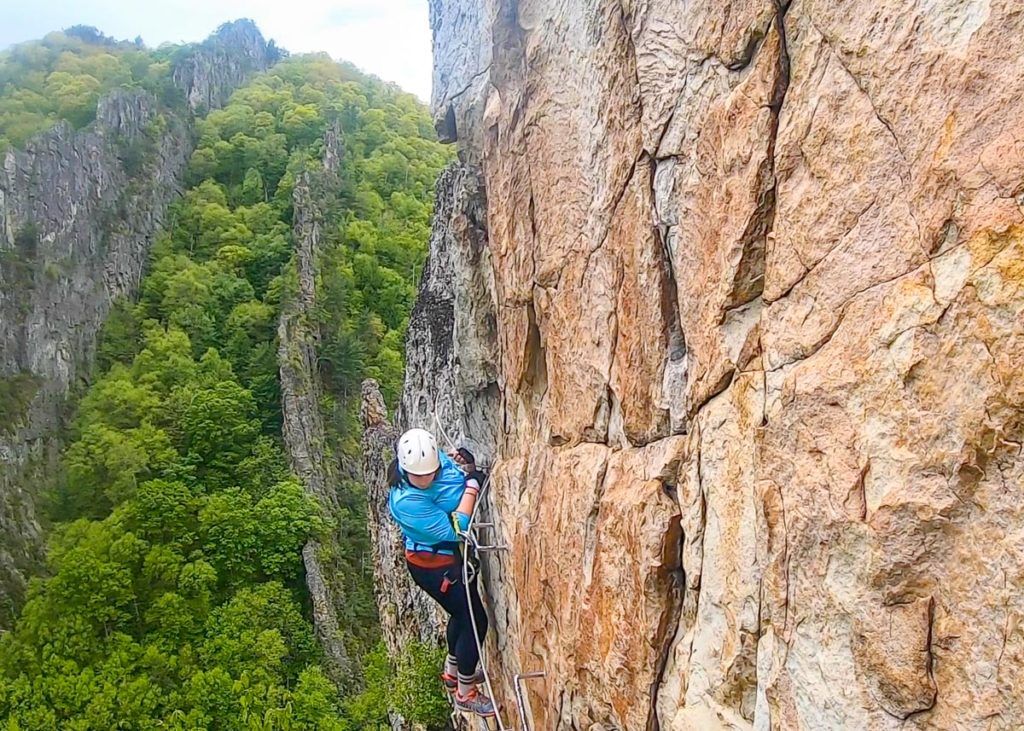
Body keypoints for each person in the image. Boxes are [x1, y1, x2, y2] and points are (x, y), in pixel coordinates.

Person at [387, 427, 496, 718]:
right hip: (434, 567)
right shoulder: (406, 501)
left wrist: (468, 468)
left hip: (446, 563)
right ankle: (465, 693)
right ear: (404, 469)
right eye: (418, 476)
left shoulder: (436, 465)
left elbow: (451, 478)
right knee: (475, 622)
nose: (424, 480)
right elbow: (456, 529)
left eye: (429, 473)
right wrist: (472, 485)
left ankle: (453, 671)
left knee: (460, 615)